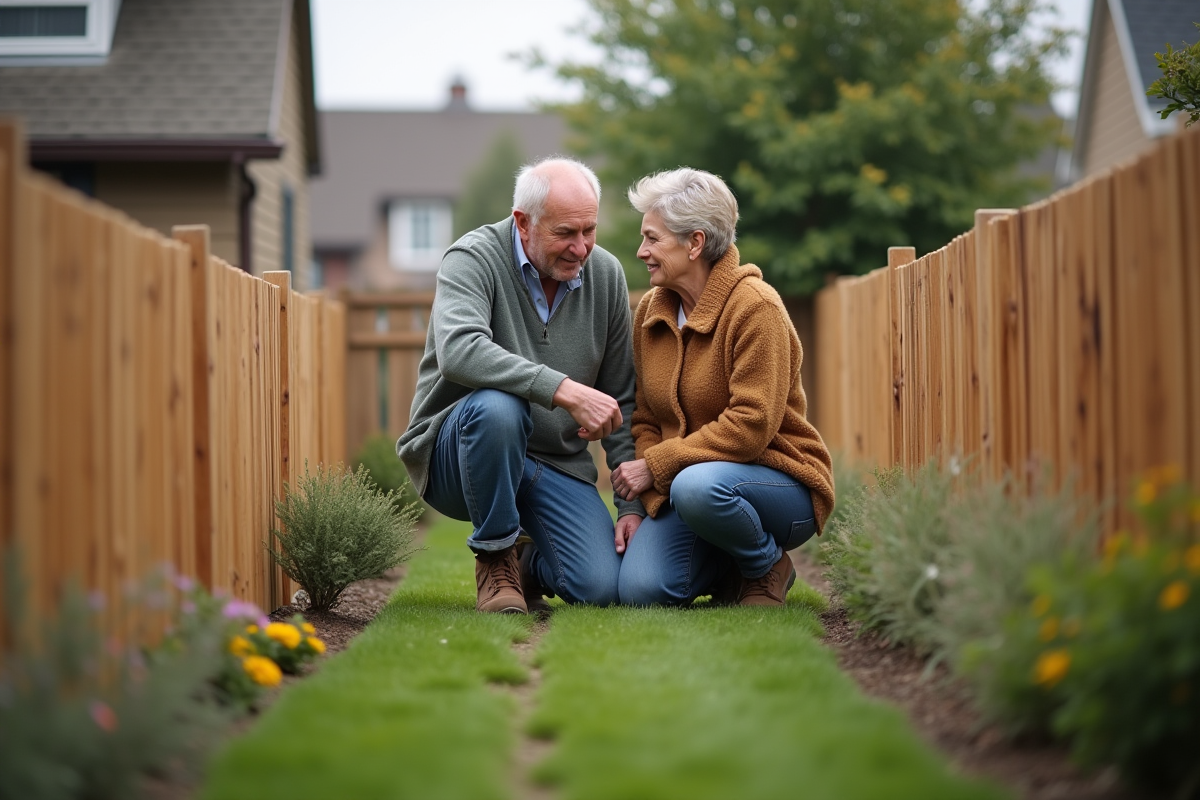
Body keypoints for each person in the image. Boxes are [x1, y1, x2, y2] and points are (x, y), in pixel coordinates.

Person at [397, 157, 644, 614]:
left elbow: (622, 400)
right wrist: (564, 389)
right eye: (565, 233)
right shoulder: (472, 258)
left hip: (555, 464)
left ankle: (529, 564)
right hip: (460, 454)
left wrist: (631, 506)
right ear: (523, 222)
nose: (581, 248)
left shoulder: (607, 275)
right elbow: (460, 350)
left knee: (600, 588)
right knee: (498, 407)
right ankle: (495, 557)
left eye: (589, 230)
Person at [610, 168, 835, 607]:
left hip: (778, 483)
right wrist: (648, 497)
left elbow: (751, 425)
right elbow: (645, 418)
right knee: (641, 590)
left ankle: (766, 565)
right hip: (689, 489)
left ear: (694, 243)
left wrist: (658, 465)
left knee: (697, 487)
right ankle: (729, 562)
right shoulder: (651, 313)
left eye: (652, 239)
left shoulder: (757, 308)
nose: (641, 252)